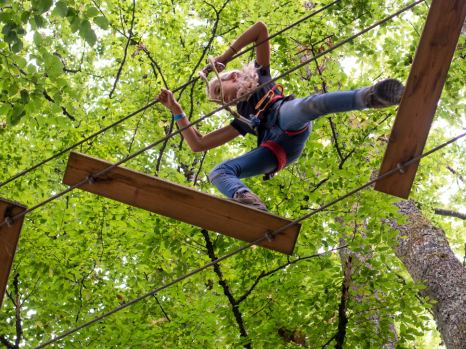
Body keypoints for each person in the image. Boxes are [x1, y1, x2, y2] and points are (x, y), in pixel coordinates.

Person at [156, 21, 404, 212]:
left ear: (232, 77)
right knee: (217, 172)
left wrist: (222, 58)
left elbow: (260, 30)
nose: (221, 100)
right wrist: (177, 110)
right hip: (275, 148)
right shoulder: (241, 119)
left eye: (219, 91)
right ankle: (246, 199)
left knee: (309, 106)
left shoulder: (260, 74)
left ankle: (370, 97)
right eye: (218, 99)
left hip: (285, 116)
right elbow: (198, 144)